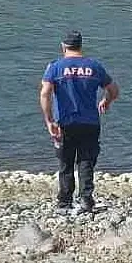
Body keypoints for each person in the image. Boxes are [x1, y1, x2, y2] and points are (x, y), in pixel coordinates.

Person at [39, 30, 119, 214]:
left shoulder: (55, 67)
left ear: (63, 46)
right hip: (90, 122)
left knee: (66, 162)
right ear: (81, 45)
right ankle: (86, 199)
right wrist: (106, 101)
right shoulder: (94, 66)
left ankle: (65, 202)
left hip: (65, 122)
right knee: (86, 161)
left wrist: (49, 120)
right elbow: (114, 90)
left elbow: (45, 94)